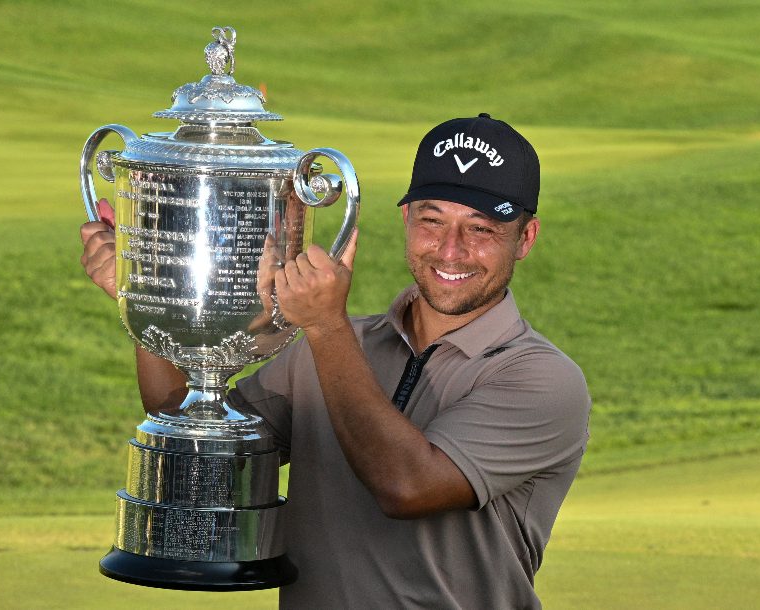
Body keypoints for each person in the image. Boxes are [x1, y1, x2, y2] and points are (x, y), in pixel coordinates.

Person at [80, 113, 591, 609]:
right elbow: (196, 431)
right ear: (406, 219)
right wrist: (146, 298)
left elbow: (406, 487)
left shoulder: (541, 379)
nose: (450, 251)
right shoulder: (344, 345)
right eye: (432, 221)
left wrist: (326, 325)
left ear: (525, 238)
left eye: (481, 230)